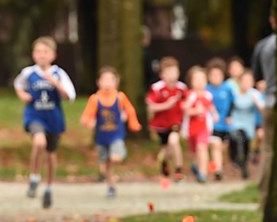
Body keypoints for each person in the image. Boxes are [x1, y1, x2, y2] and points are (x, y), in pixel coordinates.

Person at [13, 36, 76, 209]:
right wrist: (23, 95)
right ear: (33, 55)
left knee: (50, 154)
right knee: (39, 142)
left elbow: (70, 96)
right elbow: (18, 84)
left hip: (53, 118)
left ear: (53, 55)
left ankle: (49, 187)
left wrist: (56, 84)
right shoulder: (28, 73)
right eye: (38, 52)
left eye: (45, 52)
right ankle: (34, 177)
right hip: (35, 115)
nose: (41, 55)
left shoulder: (59, 74)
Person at [80, 67, 143, 197]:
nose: (107, 83)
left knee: (115, 158)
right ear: (99, 82)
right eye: (105, 79)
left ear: (116, 82)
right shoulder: (95, 99)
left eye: (111, 80)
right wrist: (87, 121)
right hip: (101, 137)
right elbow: (87, 115)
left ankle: (116, 162)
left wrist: (133, 123)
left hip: (116, 135)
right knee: (105, 164)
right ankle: (111, 186)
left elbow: (130, 111)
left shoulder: (120, 97)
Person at [146, 56, 188, 182]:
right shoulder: (157, 88)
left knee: (174, 141)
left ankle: (179, 170)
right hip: (161, 125)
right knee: (167, 148)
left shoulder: (182, 88)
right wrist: (166, 105)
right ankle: (164, 161)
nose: (172, 75)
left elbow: (187, 103)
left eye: (174, 72)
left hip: (176, 123)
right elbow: (151, 108)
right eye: (168, 72)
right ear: (162, 74)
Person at [251, 17, 277, 207]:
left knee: (268, 152)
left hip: (269, 102)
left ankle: (264, 199)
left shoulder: (263, 46)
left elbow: (257, 78)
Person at [182, 66, 217, 183]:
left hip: (204, 127)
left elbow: (211, 107)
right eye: (196, 80)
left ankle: (203, 173)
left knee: (202, 147)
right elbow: (186, 110)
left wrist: (215, 114)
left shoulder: (208, 95)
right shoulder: (190, 95)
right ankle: (196, 165)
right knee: (194, 151)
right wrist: (195, 111)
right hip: (191, 128)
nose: (199, 82)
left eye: (202, 79)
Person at [228, 70, 265, 178]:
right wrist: (228, 117)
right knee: (239, 137)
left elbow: (262, 110)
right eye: (244, 80)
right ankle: (237, 159)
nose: (246, 83)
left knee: (245, 143)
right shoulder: (234, 93)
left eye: (249, 81)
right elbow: (229, 107)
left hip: (249, 123)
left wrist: (256, 102)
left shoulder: (255, 94)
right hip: (236, 123)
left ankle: (245, 162)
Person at [206, 58, 235, 181]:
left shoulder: (228, 89)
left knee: (223, 147)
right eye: (213, 75)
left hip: (226, 125)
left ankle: (217, 165)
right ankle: (218, 170)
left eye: (218, 75)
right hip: (213, 125)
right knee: (216, 145)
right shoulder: (207, 89)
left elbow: (233, 103)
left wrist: (230, 115)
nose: (216, 77)